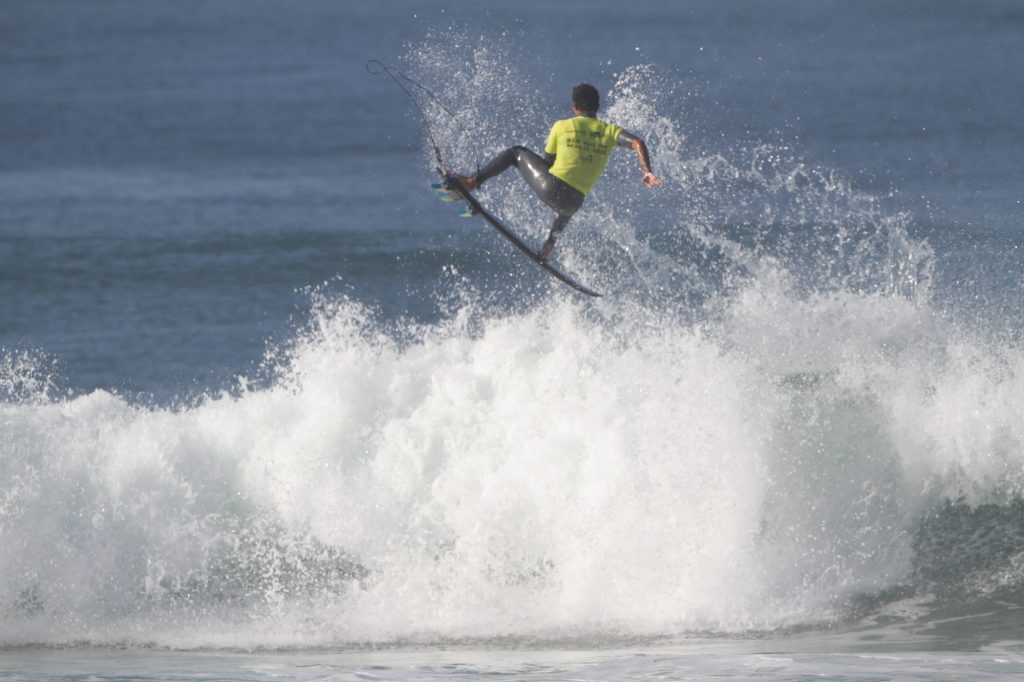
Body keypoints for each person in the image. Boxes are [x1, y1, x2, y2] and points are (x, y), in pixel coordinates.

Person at [453, 83, 662, 261]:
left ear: (574, 107)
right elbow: (637, 142)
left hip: (551, 187)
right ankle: (549, 245)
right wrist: (647, 171)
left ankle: (473, 182)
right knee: (567, 202)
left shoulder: (562, 126)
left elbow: (548, 165)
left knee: (516, 153)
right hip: (575, 203)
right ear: (597, 107)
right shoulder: (610, 132)